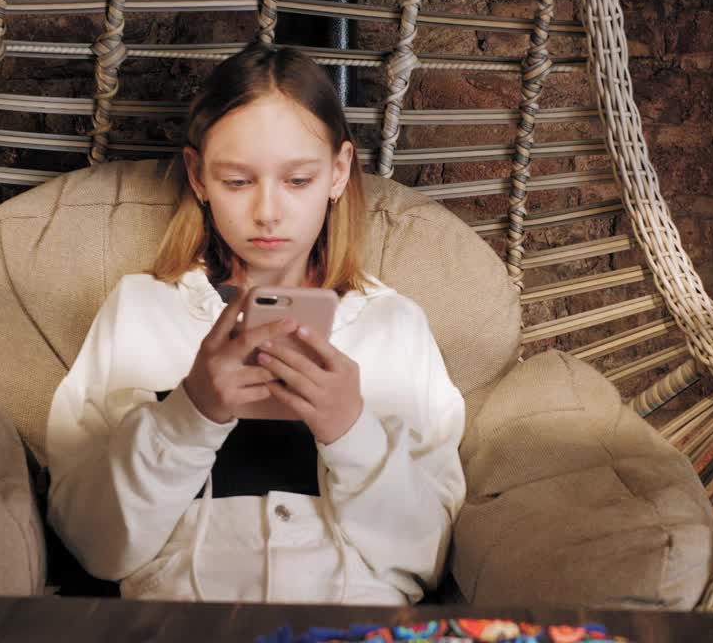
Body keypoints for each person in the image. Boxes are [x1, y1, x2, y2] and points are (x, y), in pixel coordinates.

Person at [44, 42, 466, 605]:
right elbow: (93, 543)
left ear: (339, 172)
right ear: (197, 175)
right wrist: (189, 414)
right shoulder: (141, 310)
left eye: (297, 181)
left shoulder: (395, 326)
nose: (267, 212)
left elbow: (428, 557)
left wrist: (351, 430)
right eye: (238, 181)